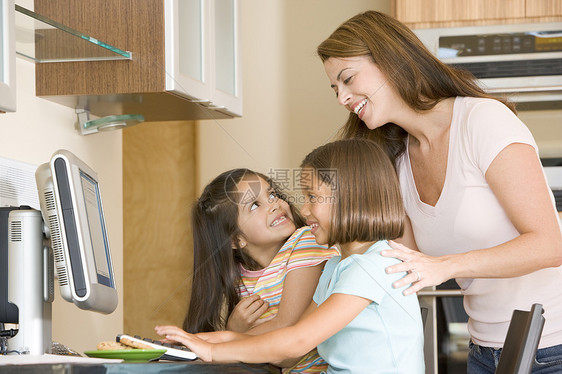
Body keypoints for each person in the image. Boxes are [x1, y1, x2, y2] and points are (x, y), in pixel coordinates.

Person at [317, 10, 562, 373]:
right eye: (336, 88)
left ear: (389, 59)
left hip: (551, 345)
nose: (342, 97)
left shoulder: (481, 121)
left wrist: (444, 265)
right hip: (485, 351)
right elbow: (400, 262)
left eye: (348, 79)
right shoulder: (397, 161)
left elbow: (549, 245)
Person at [156, 139, 425, 374]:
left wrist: (212, 351)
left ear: (350, 199)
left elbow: (297, 341)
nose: (303, 209)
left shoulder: (374, 266)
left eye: (312, 197)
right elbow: (292, 342)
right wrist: (197, 341)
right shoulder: (336, 266)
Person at [185, 168, 338, 373]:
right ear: (235, 239)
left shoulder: (306, 241)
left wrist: (229, 338)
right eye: (255, 205)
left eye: (272, 194)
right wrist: (234, 331)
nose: (274, 204)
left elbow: (287, 327)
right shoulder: (241, 277)